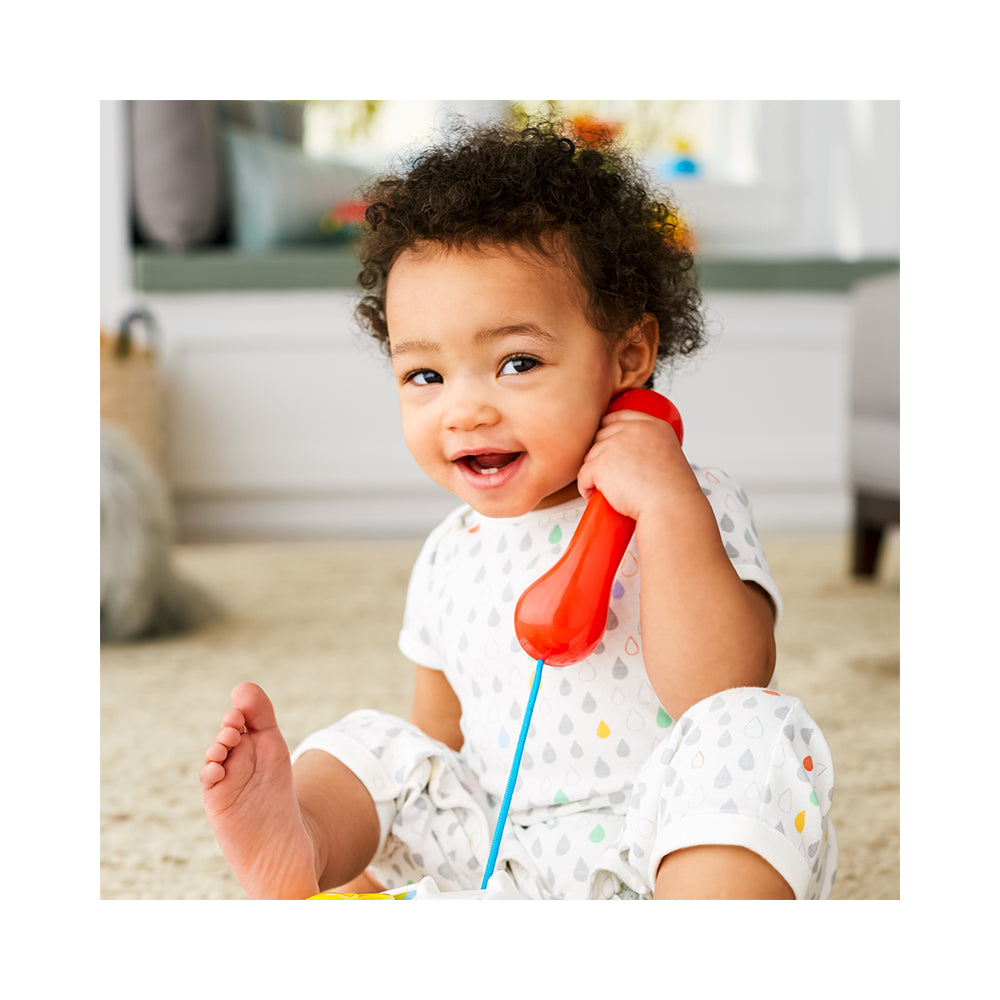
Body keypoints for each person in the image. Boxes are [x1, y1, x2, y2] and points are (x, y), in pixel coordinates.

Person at [200, 119, 837, 900]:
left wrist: (665, 506)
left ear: (629, 356)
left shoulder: (690, 500)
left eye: (517, 362)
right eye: (425, 376)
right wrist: (382, 841)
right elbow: (439, 745)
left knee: (754, 729)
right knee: (380, 747)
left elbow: (721, 686)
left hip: (662, 849)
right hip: (503, 868)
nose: (465, 410)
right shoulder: (450, 551)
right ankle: (304, 843)